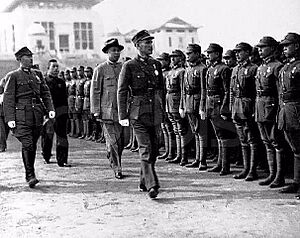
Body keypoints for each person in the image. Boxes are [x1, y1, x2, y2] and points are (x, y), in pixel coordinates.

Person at [118, 30, 164, 199]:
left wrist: (162, 111)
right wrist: (123, 116)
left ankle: (143, 181)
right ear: (137, 46)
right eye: (146, 43)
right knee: (145, 148)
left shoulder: (155, 64)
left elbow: (161, 90)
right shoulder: (129, 66)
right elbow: (122, 91)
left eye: (151, 43)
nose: (150, 46)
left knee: (155, 149)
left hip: (154, 111)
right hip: (137, 112)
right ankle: (153, 184)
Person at [3, 46, 55, 188]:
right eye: (27, 57)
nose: (31, 59)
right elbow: (8, 99)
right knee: (28, 144)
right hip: (21, 116)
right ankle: (30, 175)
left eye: (31, 56)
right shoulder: (13, 76)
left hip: (37, 115)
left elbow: (45, 93)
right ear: (20, 60)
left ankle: (30, 172)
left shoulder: (37, 74)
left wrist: (50, 109)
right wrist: (10, 119)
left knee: (32, 145)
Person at [91, 38, 125, 179]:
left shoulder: (124, 67)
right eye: (113, 51)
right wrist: (96, 110)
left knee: (122, 141)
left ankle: (112, 155)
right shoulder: (100, 69)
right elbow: (95, 90)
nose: (116, 53)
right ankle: (117, 167)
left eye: (118, 50)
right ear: (107, 52)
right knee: (113, 141)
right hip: (107, 111)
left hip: (122, 110)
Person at [255, 36, 285, 188]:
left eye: (263, 47)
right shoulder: (260, 67)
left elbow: (281, 92)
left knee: (276, 142)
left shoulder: (277, 66)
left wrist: (279, 111)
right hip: (261, 107)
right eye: (259, 48)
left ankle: (279, 176)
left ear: (272, 49)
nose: (260, 50)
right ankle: (272, 174)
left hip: (272, 108)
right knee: (267, 142)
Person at [230, 42, 260, 181]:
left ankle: (252, 170)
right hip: (237, 106)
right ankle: (246, 168)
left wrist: (254, 109)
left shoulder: (254, 68)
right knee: (243, 140)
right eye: (236, 52)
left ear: (248, 52)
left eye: (240, 51)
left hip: (248, 106)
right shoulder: (235, 69)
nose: (237, 54)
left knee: (252, 140)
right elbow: (231, 91)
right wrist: (231, 108)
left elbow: (256, 92)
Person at [206, 43, 237, 175]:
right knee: (218, 136)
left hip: (219, 104)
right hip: (211, 104)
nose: (208, 55)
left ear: (217, 54)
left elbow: (227, 91)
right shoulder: (210, 69)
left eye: (210, 53)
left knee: (223, 136)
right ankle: (220, 164)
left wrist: (225, 109)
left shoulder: (224, 69)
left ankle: (225, 166)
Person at [277, 33, 300, 197]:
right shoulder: (285, 67)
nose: (284, 48)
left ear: (297, 46)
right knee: (295, 149)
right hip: (286, 111)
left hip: (297, 111)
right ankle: (296, 182)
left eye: (287, 45)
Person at [181, 44, 208, 170]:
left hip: (197, 103)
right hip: (188, 103)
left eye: (190, 53)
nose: (187, 56)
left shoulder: (202, 69)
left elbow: (204, 90)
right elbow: (183, 90)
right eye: (186, 53)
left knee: (202, 133)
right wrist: (182, 105)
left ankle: (202, 161)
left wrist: (202, 107)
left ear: (197, 54)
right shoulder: (187, 69)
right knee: (195, 132)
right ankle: (197, 159)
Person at [41, 59, 70, 167]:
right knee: (47, 136)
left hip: (61, 112)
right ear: (48, 68)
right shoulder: (43, 81)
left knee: (62, 136)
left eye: (57, 67)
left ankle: (62, 160)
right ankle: (46, 156)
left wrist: (66, 113)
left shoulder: (61, 82)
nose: (56, 69)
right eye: (53, 66)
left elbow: (64, 99)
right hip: (48, 113)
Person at [166, 49, 190, 166]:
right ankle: (178, 155)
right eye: (171, 57)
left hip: (176, 101)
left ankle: (184, 157)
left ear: (181, 58)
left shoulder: (182, 71)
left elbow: (183, 90)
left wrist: (182, 105)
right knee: (175, 130)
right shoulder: (171, 71)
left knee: (181, 130)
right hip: (169, 101)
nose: (172, 59)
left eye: (175, 57)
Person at [156, 52, 175, 161]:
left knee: (169, 128)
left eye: (162, 60)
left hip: (166, 103)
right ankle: (168, 151)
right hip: (161, 103)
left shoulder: (167, 73)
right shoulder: (161, 73)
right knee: (165, 128)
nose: (160, 62)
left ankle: (171, 152)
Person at [82, 66, 93, 140]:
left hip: (90, 100)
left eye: (88, 71)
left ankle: (90, 134)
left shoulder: (92, 81)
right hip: (85, 100)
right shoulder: (86, 81)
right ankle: (86, 133)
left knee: (90, 119)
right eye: (85, 72)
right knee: (85, 118)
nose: (86, 73)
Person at [76, 65, 86, 139]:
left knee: (85, 117)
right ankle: (80, 132)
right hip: (78, 99)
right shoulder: (78, 80)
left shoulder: (85, 80)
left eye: (80, 70)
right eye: (78, 71)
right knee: (79, 117)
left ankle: (85, 133)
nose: (79, 72)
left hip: (84, 99)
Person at [67, 67, 77, 137]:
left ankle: (77, 132)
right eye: (71, 72)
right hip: (69, 99)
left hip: (74, 100)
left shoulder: (76, 81)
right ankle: (72, 131)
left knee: (75, 116)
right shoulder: (71, 81)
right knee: (71, 117)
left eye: (73, 72)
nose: (72, 74)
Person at [0, 78, 9, 152]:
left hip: (7, 113)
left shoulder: (10, 91)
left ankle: (3, 145)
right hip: (0, 113)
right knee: (1, 130)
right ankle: (2, 146)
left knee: (6, 130)